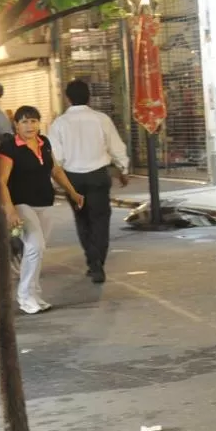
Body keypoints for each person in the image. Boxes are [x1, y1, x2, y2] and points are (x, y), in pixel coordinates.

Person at [0, 106, 85, 314]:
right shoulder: (7, 148)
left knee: (37, 250)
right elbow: (1, 181)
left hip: (45, 201)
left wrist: (72, 192)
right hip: (21, 203)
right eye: (24, 121)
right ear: (16, 125)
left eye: (34, 121)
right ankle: (25, 296)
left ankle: (34, 293)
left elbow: (55, 170)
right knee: (35, 245)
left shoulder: (44, 142)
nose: (30, 126)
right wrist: (9, 210)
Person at [48, 80, 130, 284]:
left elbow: (55, 156)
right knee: (100, 220)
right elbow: (116, 146)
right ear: (89, 97)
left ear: (67, 98)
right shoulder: (101, 119)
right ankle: (98, 262)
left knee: (82, 220)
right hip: (98, 176)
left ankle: (92, 262)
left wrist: (56, 180)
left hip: (73, 179)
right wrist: (123, 168)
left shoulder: (59, 124)